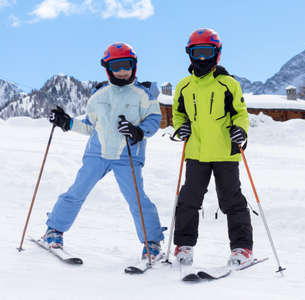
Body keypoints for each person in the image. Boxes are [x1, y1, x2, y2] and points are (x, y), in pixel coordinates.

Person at [43, 42, 164, 261]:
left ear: (134, 66)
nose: (122, 71)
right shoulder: (98, 96)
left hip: (128, 155)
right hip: (96, 154)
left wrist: (138, 131)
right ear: (107, 68)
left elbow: (154, 120)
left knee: (137, 199)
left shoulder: (144, 94)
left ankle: (152, 242)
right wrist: (67, 122)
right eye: (116, 66)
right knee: (76, 192)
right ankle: (54, 230)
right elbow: (90, 126)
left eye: (126, 65)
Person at [172, 28, 253, 267]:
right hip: (196, 152)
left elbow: (241, 114)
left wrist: (241, 130)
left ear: (216, 54)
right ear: (190, 54)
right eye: (197, 53)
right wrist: (182, 127)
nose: (202, 59)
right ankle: (184, 245)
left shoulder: (228, 84)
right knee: (188, 199)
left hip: (225, 152)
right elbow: (178, 114)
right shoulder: (184, 86)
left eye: (207, 52)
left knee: (232, 200)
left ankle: (242, 248)